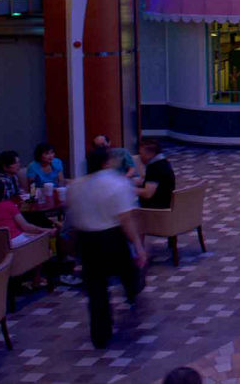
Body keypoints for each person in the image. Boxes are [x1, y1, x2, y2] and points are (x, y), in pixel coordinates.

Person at [67, 147, 147, 349]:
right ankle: (132, 292)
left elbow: (72, 219)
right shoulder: (118, 183)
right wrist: (138, 246)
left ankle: (100, 335)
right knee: (128, 271)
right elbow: (126, 219)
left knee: (96, 290)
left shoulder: (76, 186)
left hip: (87, 241)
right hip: (111, 237)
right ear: (106, 163)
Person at [135, 137, 176, 210]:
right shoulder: (164, 162)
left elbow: (147, 194)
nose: (140, 157)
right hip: (167, 204)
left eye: (141, 154)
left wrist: (128, 189)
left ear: (150, 154)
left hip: (155, 210)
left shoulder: (154, 167)